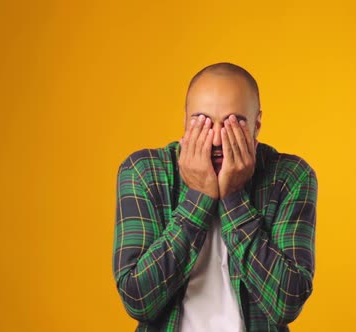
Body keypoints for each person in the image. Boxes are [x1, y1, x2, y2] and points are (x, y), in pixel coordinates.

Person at [112, 62, 318, 331]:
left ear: (257, 123)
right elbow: (138, 299)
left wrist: (234, 197)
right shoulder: (144, 172)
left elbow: (286, 303)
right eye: (203, 122)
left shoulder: (290, 176)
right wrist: (198, 197)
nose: (218, 140)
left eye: (235, 123)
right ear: (185, 120)